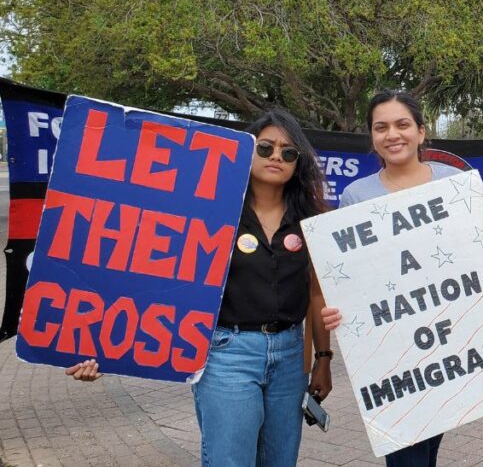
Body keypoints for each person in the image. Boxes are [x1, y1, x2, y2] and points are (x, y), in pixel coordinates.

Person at [69, 109, 334, 467]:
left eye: (288, 152)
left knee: (280, 462)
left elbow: (317, 293)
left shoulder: (311, 220)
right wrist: (98, 346)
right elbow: (145, 275)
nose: (276, 157)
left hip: (290, 359)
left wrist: (323, 360)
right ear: (245, 151)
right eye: (266, 147)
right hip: (226, 354)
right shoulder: (207, 211)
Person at [321, 90, 461, 467]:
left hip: (447, 344)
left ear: (421, 131)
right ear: (371, 136)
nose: (392, 135)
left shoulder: (454, 184)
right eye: (380, 127)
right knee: (408, 456)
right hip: (390, 354)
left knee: (427, 450)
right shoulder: (355, 196)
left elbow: (472, 256)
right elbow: (350, 278)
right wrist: (339, 310)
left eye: (402, 125)